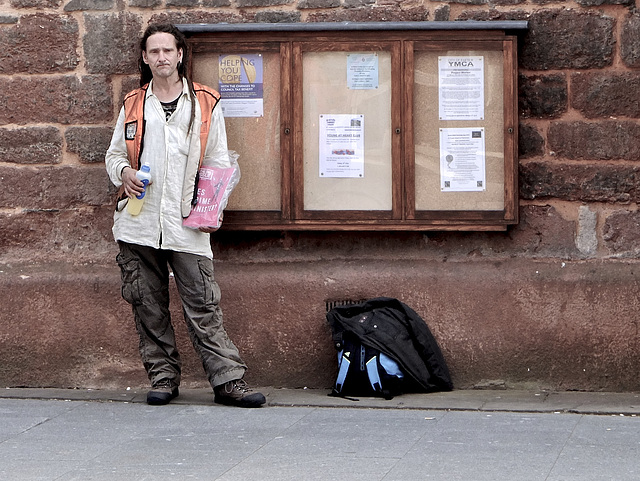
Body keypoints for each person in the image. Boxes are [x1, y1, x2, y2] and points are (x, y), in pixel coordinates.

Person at [105, 23, 265, 408]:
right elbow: (114, 156)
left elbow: (218, 161)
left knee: (203, 302)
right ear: (145, 58)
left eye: (167, 50)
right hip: (138, 222)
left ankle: (228, 380)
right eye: (153, 51)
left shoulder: (206, 102)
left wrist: (212, 207)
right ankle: (163, 378)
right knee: (147, 303)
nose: (161, 57)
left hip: (188, 223)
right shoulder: (133, 103)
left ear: (179, 55)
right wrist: (123, 173)